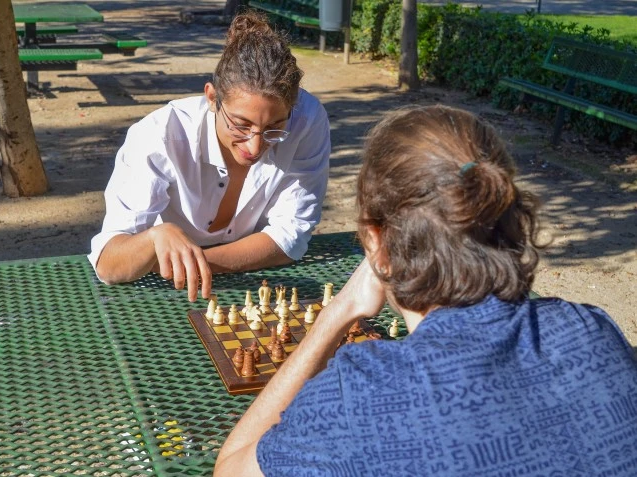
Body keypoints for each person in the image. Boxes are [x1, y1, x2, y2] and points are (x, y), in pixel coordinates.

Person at [214, 105, 637, 476]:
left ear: (375, 240)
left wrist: (337, 313)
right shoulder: (592, 330)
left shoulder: (364, 395)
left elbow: (230, 469)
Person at [89, 12, 330, 301]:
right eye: (240, 125)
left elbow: (290, 236)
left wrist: (194, 264)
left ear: (292, 109)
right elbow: (109, 264)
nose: (254, 147)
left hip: (220, 283)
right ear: (212, 98)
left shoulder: (306, 119)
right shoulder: (160, 135)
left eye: (274, 129)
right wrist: (155, 236)